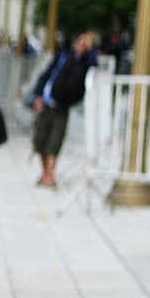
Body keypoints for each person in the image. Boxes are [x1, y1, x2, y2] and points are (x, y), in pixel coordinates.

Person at [29, 31, 98, 189]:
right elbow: (47, 75)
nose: (81, 45)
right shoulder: (63, 56)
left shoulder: (84, 62)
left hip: (62, 106)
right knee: (40, 140)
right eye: (80, 41)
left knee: (54, 141)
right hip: (47, 102)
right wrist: (38, 95)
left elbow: (93, 64)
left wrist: (90, 47)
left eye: (85, 44)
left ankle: (50, 174)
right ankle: (45, 172)